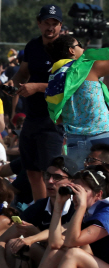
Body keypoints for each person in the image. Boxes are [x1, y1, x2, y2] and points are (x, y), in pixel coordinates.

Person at [10, 165, 109, 268]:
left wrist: (81, 206)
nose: (76, 197)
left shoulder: (106, 211)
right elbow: (55, 243)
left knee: (73, 254)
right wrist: (58, 207)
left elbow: (72, 241)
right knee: (56, 251)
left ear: (98, 195)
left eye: (81, 192)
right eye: (73, 192)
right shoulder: (87, 213)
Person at [0, 155, 78, 268]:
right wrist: (2, 267)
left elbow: (63, 236)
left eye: (57, 177)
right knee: (13, 244)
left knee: (24, 247)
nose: (50, 181)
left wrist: (33, 234)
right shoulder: (39, 206)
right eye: (47, 175)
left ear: (71, 182)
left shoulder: (77, 206)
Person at [6, 4, 64, 201]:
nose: (50, 28)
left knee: (52, 174)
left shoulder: (68, 47)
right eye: (46, 23)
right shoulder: (33, 46)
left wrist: (37, 87)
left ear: (61, 26)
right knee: (31, 171)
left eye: (54, 24)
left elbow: (70, 84)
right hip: (32, 116)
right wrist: (12, 83)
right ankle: (40, 210)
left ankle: (55, 212)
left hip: (54, 120)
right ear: (39, 24)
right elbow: (23, 72)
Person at [45, 35, 109, 168]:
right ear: (71, 51)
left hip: (75, 140)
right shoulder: (89, 68)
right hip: (101, 136)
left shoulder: (54, 78)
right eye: (79, 44)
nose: (83, 47)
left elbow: (57, 119)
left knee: (80, 184)